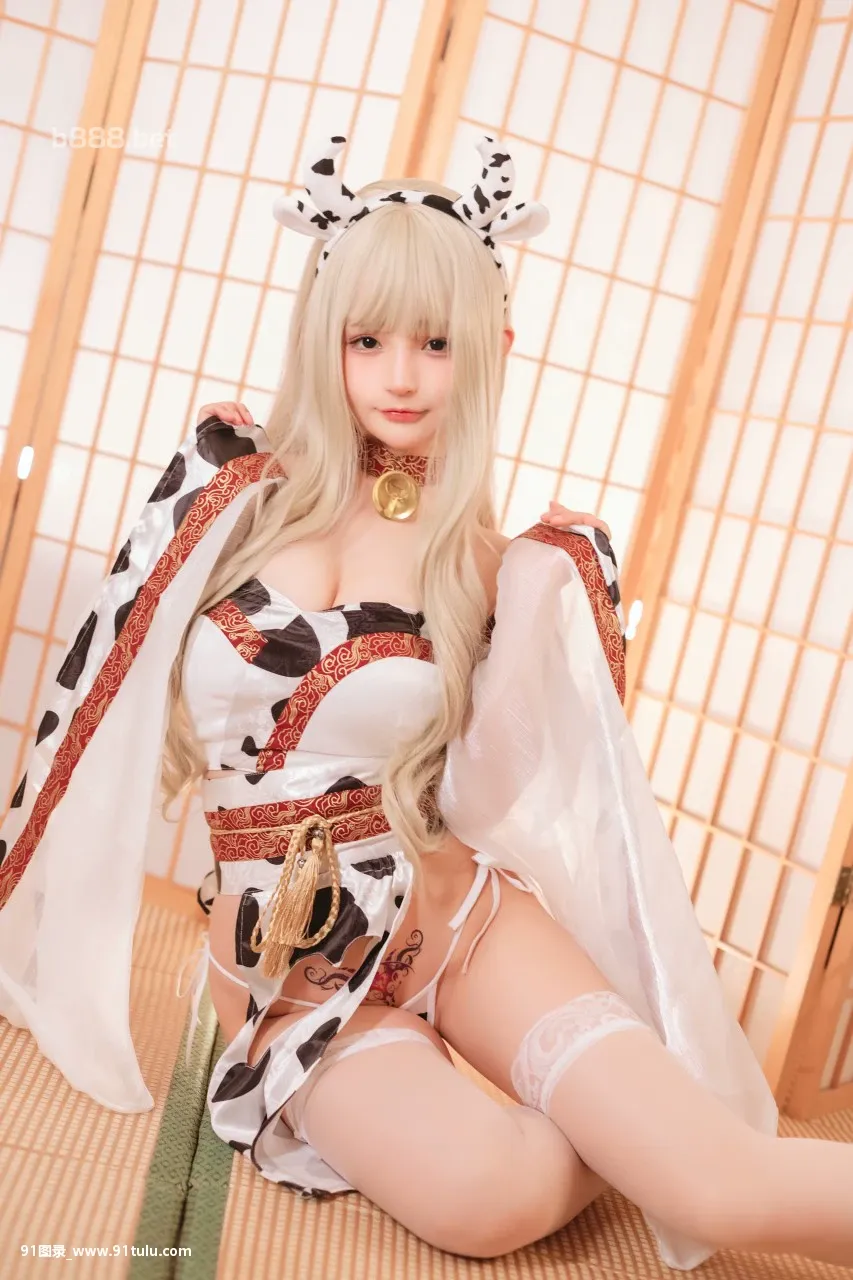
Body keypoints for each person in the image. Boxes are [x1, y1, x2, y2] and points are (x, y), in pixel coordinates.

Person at [0, 133, 851, 1272]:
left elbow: (488, 793)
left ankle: (632, 1120)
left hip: (468, 923)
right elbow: (91, 697)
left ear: (492, 348)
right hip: (301, 978)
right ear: (324, 335)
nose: (400, 376)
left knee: (720, 1186)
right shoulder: (228, 491)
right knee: (495, 1196)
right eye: (368, 339)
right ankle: (608, 1123)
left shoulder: (495, 561)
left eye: (437, 342)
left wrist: (545, 603)